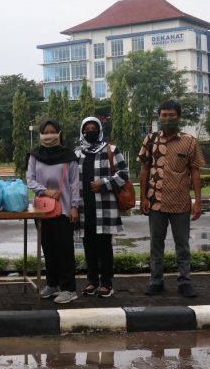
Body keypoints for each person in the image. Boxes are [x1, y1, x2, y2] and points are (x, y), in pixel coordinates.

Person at [138, 99, 205, 298]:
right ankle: (156, 281)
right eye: (164, 115)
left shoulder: (189, 141)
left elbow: (195, 172)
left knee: (182, 245)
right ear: (158, 117)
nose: (167, 119)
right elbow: (143, 170)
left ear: (179, 117)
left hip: (181, 202)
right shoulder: (150, 140)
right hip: (155, 201)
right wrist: (142, 198)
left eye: (171, 115)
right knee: (155, 244)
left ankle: (185, 282)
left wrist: (198, 201)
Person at [26, 119, 80, 304]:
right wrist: (45, 190)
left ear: (59, 133)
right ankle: (52, 284)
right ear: (40, 134)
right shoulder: (34, 155)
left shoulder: (68, 156)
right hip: (42, 210)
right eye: (45, 132)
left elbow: (74, 183)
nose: (48, 136)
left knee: (64, 249)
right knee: (48, 247)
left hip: (64, 210)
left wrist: (75, 206)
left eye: (52, 132)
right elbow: (30, 180)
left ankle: (69, 288)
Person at [74, 116, 129, 298]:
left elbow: (124, 174)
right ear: (82, 131)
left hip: (104, 207)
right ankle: (92, 281)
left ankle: (106, 283)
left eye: (94, 127)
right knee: (88, 245)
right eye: (87, 128)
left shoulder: (111, 150)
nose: (90, 131)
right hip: (84, 207)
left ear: (100, 130)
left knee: (104, 246)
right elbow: (71, 180)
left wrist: (104, 184)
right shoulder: (77, 154)